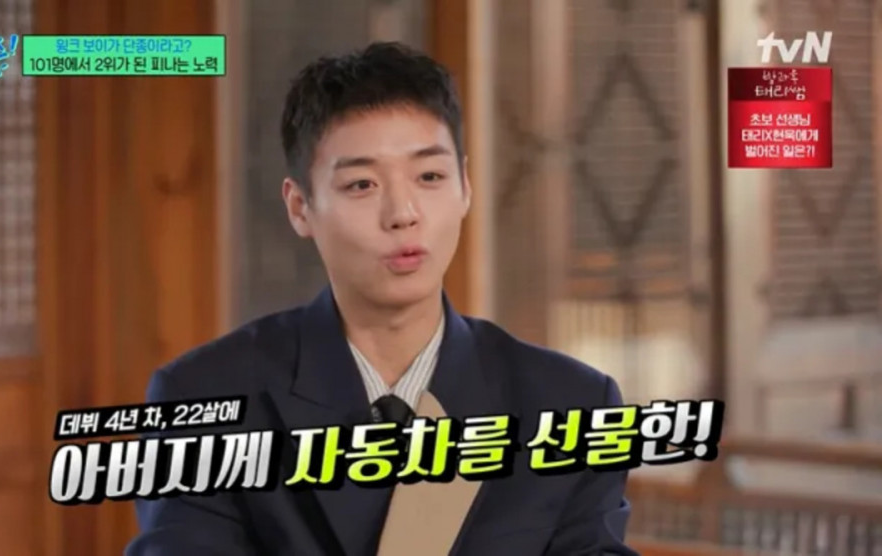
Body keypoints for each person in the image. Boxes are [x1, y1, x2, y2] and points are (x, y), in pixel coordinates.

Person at [127, 42, 636, 556]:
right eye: (362, 184)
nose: (403, 213)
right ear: (300, 207)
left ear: (465, 186)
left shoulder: (571, 405)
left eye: (430, 176)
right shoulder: (203, 402)